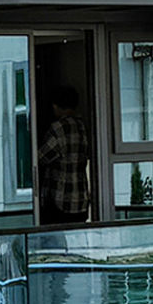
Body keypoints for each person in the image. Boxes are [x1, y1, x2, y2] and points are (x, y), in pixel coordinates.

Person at [38, 85, 89, 224]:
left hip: (61, 200)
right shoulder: (82, 126)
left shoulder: (58, 128)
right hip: (81, 199)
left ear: (56, 105)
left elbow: (41, 158)